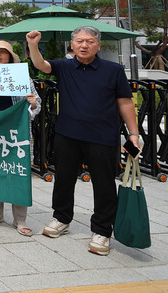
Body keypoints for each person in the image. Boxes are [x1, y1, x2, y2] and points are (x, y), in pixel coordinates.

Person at [27, 27, 140, 256]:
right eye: (80, 41)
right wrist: (33, 45)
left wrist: (134, 134)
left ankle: (102, 230)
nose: (84, 45)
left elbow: (125, 103)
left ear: (98, 45)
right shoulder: (64, 66)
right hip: (68, 134)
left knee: (104, 184)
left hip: (103, 136)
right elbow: (41, 65)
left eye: (89, 41)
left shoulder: (114, 70)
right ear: (72, 44)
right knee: (64, 180)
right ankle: (61, 218)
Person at [0, 40, 41, 236]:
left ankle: (20, 219)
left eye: (3, 52)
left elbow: (35, 106)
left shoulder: (23, 78)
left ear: (10, 57)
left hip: (16, 134)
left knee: (18, 174)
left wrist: (33, 103)